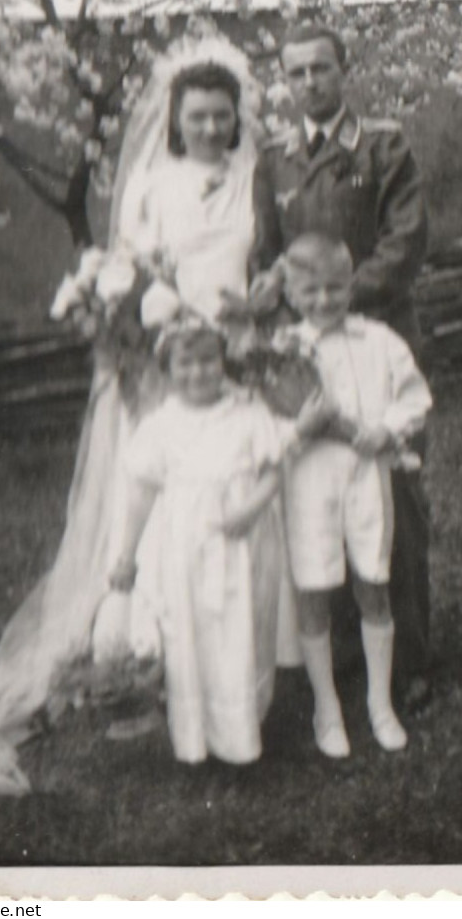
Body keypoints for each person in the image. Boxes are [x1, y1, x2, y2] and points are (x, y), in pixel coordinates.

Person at [0, 34, 271, 827]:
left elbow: (263, 261)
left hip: (237, 357)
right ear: (175, 120)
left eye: (222, 115)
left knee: (237, 493)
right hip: (170, 362)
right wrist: (138, 331)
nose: (211, 127)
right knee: (162, 503)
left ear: (237, 117)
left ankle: (245, 653)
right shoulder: (152, 182)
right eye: (197, 116)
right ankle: (151, 655)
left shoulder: (255, 176)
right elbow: (130, 270)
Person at [250, 20, 433, 712]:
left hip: (377, 341)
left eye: (320, 68)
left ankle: (410, 657)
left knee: (393, 498)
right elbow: (268, 255)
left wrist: (331, 300)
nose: (309, 82)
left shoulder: (383, 146)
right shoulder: (275, 160)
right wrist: (288, 318)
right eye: (295, 72)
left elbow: (404, 244)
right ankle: (352, 650)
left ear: (342, 69)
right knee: (322, 493)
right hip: (309, 355)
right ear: (284, 80)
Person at [108, 319, 328, 765]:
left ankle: (244, 728)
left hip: (245, 540)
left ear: (223, 362)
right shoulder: (160, 426)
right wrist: (126, 555)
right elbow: (140, 494)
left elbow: (273, 471)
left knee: (244, 628)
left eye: (209, 360)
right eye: (185, 363)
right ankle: (198, 733)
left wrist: (250, 510)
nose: (199, 372)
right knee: (192, 634)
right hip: (186, 547)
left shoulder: (247, 415)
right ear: (168, 369)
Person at [277, 233, 432, 757]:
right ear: (292, 294)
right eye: (311, 290)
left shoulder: (378, 339)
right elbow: (266, 422)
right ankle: (327, 708)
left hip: (367, 477)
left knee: (374, 582)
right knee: (313, 590)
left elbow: (415, 397)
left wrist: (386, 429)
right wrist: (299, 428)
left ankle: (379, 704)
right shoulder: (281, 350)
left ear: (351, 285)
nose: (324, 300)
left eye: (335, 288)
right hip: (308, 482)